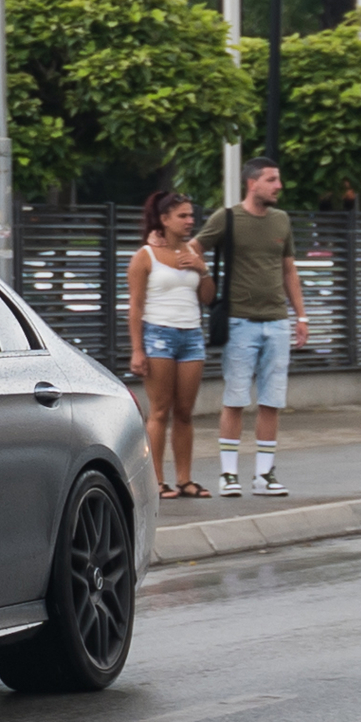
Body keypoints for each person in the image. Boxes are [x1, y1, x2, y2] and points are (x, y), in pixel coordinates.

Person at [194, 156, 308, 498]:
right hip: (239, 321)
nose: (279, 186)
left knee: (272, 400)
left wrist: (301, 316)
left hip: (277, 322)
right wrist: (202, 274)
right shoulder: (227, 218)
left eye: (278, 179)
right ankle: (228, 474)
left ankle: (264, 474)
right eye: (272, 180)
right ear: (252, 183)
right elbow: (194, 248)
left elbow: (289, 270)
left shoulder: (281, 220)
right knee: (235, 397)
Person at [126, 190, 215, 500]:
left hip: (191, 336)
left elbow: (207, 298)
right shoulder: (145, 256)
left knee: (186, 412)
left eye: (191, 215)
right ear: (164, 220)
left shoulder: (192, 252)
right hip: (158, 335)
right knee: (160, 410)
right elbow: (135, 307)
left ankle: (185, 479)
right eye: (183, 216)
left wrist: (201, 268)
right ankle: (157, 479)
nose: (190, 221)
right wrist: (138, 349)